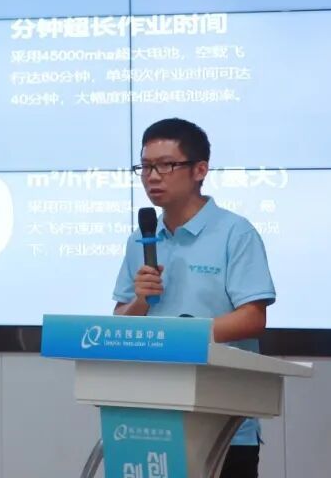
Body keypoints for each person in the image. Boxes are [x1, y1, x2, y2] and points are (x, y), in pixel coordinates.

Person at [112, 118, 276, 478]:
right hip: (149, 416)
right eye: (145, 166)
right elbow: (120, 320)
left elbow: (253, 317)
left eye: (166, 165)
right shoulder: (140, 239)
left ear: (200, 170)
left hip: (223, 423)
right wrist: (140, 302)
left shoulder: (235, 233)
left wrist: (183, 337)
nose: (152, 177)